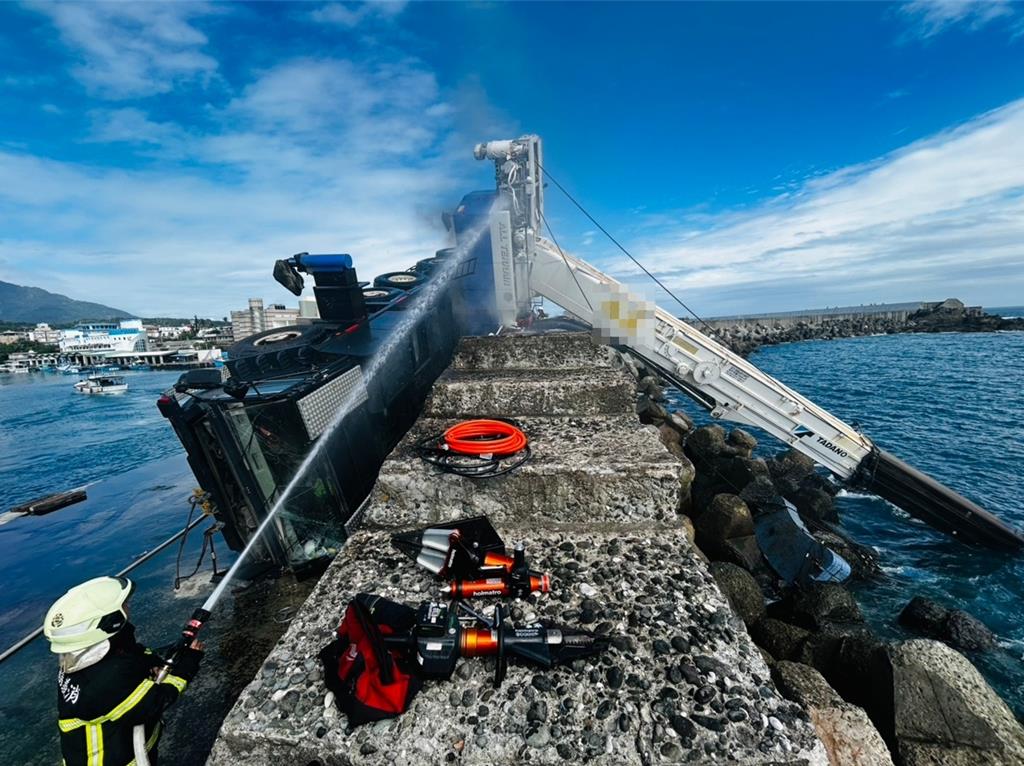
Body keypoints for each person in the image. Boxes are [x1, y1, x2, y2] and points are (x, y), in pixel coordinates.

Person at [43, 576, 203, 766]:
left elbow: (133, 658)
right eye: (124, 605)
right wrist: (188, 664)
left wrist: (163, 655)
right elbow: (156, 701)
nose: (129, 608)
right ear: (111, 622)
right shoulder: (105, 681)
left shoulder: (81, 658)